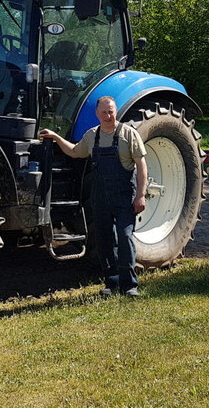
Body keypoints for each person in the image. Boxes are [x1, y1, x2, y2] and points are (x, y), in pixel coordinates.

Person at [39, 96, 148, 297]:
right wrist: (55, 137)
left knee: (125, 238)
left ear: (116, 111)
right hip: (100, 197)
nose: (108, 116)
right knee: (104, 240)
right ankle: (112, 282)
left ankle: (129, 285)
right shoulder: (92, 136)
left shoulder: (128, 134)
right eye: (104, 112)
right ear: (97, 114)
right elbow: (74, 152)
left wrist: (141, 195)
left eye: (111, 111)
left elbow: (141, 166)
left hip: (124, 196)